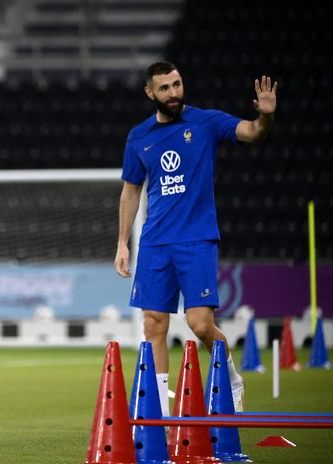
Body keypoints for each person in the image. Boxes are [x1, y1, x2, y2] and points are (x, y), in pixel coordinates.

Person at [115, 61, 277, 416]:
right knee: (152, 325)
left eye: (177, 85)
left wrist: (265, 117)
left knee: (200, 324)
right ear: (149, 93)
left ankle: (232, 379)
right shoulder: (139, 137)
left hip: (197, 239)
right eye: (165, 88)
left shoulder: (206, 122)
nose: (173, 93)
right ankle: (157, 412)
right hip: (155, 242)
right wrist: (123, 242)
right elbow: (131, 191)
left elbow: (251, 132)